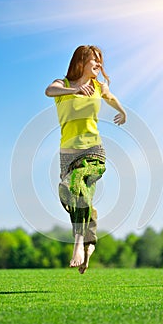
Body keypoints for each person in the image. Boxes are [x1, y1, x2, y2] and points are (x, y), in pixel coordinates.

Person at [45, 45, 127, 274]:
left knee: (79, 180)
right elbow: (49, 91)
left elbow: (110, 97)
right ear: (81, 62)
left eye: (100, 61)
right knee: (75, 193)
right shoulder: (63, 85)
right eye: (95, 60)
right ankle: (89, 243)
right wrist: (74, 91)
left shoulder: (99, 86)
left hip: (94, 152)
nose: (99, 65)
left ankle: (79, 244)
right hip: (67, 156)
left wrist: (122, 111)